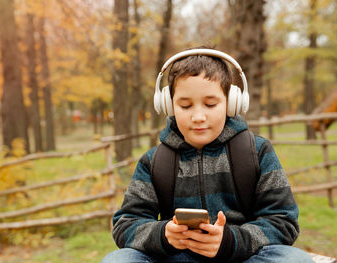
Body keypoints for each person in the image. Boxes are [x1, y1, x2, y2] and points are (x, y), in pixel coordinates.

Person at [101, 47, 314, 263]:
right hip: (177, 258)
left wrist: (230, 240)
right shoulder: (153, 162)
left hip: (242, 258)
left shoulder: (257, 152)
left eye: (210, 104)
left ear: (232, 103)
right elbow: (125, 224)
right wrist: (163, 234)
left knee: (295, 260)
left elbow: (284, 222)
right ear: (168, 105)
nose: (198, 116)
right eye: (185, 106)